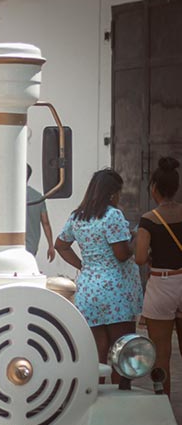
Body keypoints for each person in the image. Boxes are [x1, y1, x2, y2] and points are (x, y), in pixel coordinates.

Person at [55, 168, 143, 384]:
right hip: (116, 292)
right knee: (122, 352)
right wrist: (135, 240)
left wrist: (83, 265)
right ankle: (120, 398)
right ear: (112, 193)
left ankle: (97, 398)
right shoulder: (112, 215)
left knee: (97, 353)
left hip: (89, 289)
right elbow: (121, 254)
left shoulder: (78, 216)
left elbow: (61, 245)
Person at [135, 157, 182, 396]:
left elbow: (140, 258)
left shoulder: (149, 219)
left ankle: (163, 403)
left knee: (161, 353)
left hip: (161, 286)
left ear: (154, 188)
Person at [26, 164, 55, 261]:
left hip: (9, 245)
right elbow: (45, 223)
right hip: (31, 245)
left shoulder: (7, 195)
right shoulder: (38, 197)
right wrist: (51, 245)